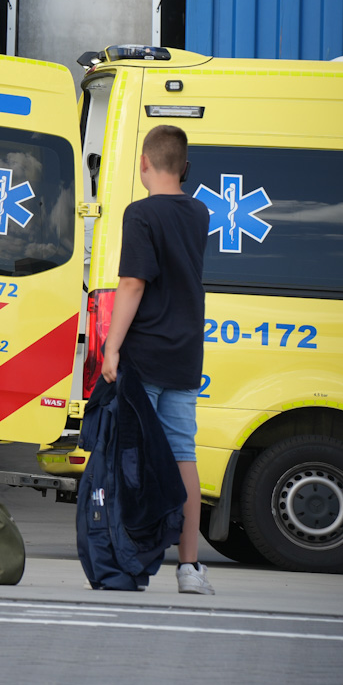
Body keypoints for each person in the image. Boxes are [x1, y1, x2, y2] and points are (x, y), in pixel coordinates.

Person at [100, 123, 214, 596]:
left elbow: (133, 283)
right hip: (184, 355)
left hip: (145, 353)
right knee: (183, 454)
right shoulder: (200, 213)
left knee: (131, 455)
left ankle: (128, 559)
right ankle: (190, 568)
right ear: (184, 167)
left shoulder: (141, 214)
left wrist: (111, 346)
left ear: (144, 162)